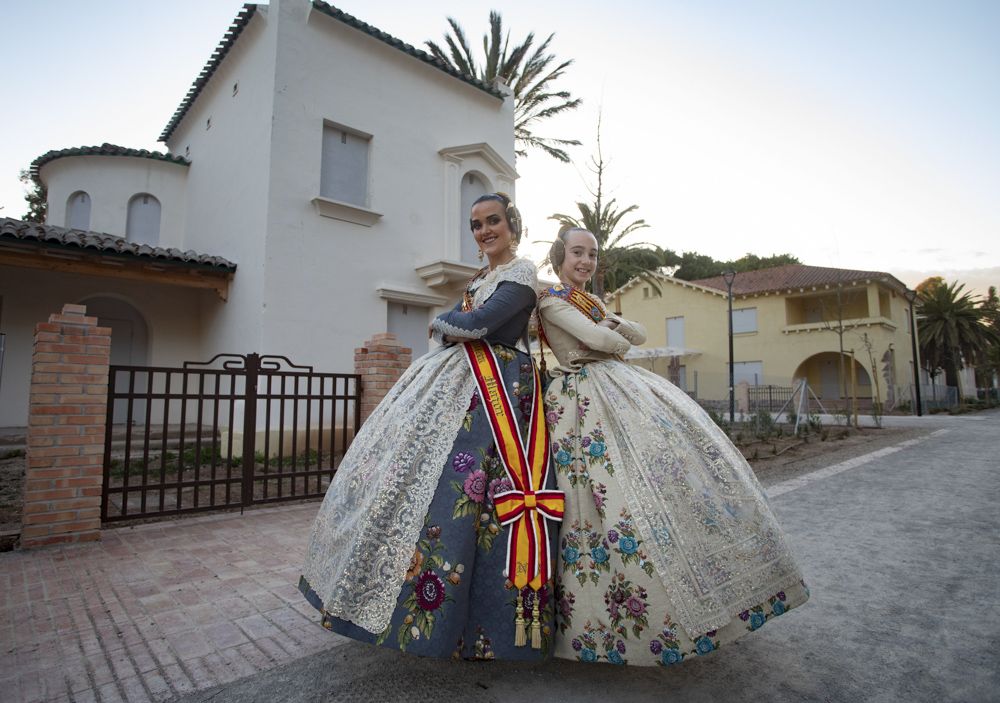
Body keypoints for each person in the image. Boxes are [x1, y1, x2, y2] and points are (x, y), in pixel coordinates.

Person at [300, 193, 562, 660]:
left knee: (477, 497)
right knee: (438, 491)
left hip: (496, 392)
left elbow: (480, 324)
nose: (484, 231)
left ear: (512, 224)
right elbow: (469, 323)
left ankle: (486, 628)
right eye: (476, 224)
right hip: (467, 387)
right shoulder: (482, 278)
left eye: (493, 221)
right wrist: (452, 324)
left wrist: (442, 322)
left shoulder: (520, 273)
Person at [537, 226, 809, 666]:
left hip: (616, 389)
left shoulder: (595, 302)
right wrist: (611, 331)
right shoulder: (550, 299)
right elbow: (600, 342)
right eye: (576, 253)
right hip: (579, 403)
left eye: (591, 254)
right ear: (558, 256)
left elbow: (635, 334)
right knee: (594, 499)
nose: (585, 261)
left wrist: (612, 325)